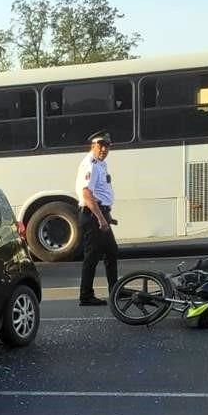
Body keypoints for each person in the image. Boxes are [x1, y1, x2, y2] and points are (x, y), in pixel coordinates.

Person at [76, 131, 119, 306]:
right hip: (92, 215)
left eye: (107, 145)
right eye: (100, 145)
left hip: (100, 214)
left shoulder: (101, 164)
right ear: (93, 145)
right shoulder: (91, 165)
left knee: (111, 252)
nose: (104, 149)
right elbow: (87, 194)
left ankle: (115, 290)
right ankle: (86, 296)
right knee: (92, 257)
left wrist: (107, 216)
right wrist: (101, 219)